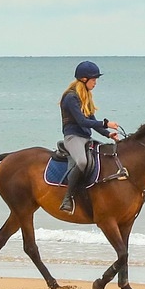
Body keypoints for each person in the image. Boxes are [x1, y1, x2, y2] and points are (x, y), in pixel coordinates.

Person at [60, 60, 123, 213]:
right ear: (84, 79)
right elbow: (82, 121)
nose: (95, 83)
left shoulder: (85, 96)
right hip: (73, 137)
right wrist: (107, 123)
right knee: (82, 162)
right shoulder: (70, 98)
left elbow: (92, 122)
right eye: (93, 80)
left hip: (86, 138)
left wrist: (109, 134)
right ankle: (68, 198)